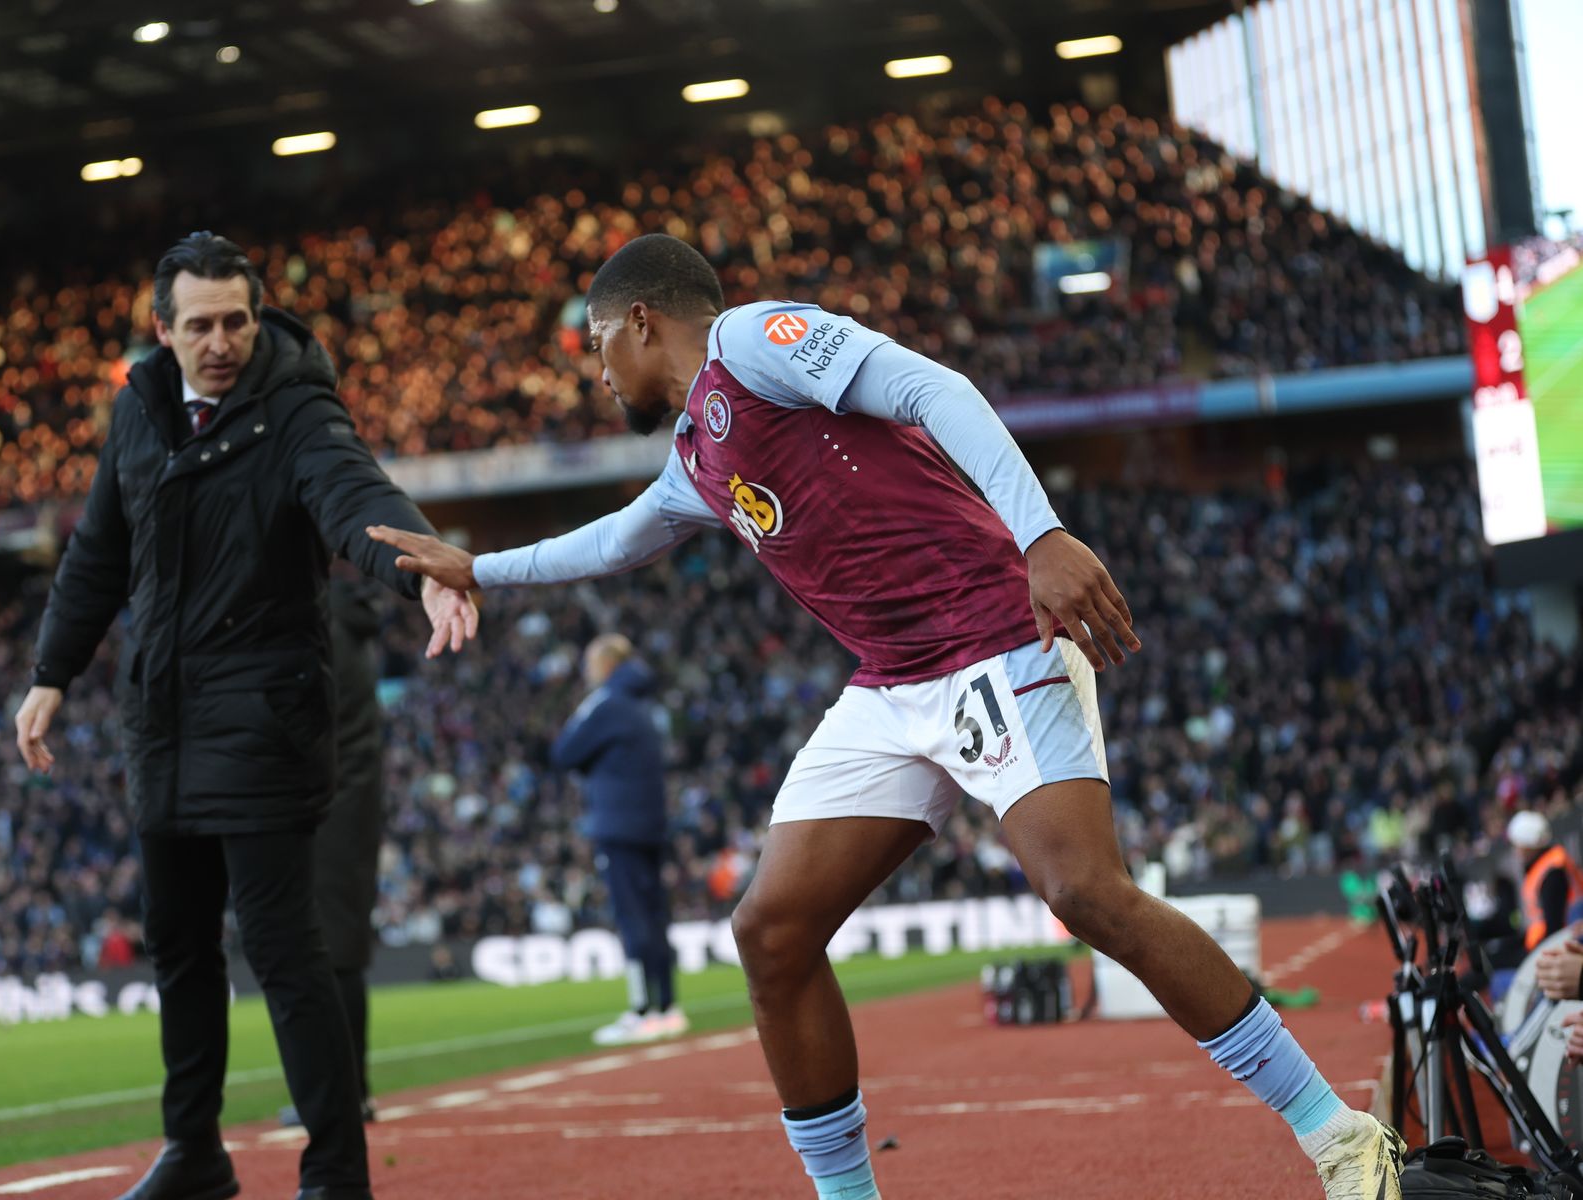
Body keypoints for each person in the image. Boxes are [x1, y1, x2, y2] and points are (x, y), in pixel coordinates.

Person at [367, 233, 1403, 1200]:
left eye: (595, 343)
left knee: (1084, 892)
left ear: (641, 320)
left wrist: (1040, 533)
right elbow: (613, 541)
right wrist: (480, 569)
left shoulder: (750, 341)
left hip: (998, 635)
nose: (595, 370)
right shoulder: (695, 455)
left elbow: (929, 387)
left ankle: (1339, 1136)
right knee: (771, 933)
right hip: (890, 684)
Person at [14, 232, 478, 1200]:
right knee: (178, 944)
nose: (221, 341)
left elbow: (354, 496)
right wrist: (52, 671)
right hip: (163, 720)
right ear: (162, 330)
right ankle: (194, 1152)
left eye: (236, 320)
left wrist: (418, 566)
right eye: (200, 325)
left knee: (280, 949)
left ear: (257, 317)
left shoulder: (297, 408)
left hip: (265, 714)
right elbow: (100, 547)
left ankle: (335, 1174)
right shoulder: (139, 410)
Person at [279, 571, 389, 1128]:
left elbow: (299, 717)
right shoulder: (343, 624)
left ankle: (342, 1094)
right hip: (348, 800)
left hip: (329, 803)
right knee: (337, 948)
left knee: (332, 952)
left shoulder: (320, 627)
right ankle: (347, 1091)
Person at [551, 633, 686, 1046]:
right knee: (654, 915)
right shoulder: (642, 705)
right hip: (650, 825)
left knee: (632, 917)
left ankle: (642, 1011)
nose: (587, 671)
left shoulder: (606, 704)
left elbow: (563, 752)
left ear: (607, 664)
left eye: (591, 663)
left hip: (619, 826)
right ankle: (667, 1007)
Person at [1510, 810, 1583, 961]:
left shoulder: (1552, 872)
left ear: (1528, 845)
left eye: (1517, 845)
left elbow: (1555, 927)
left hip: (1557, 947)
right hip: (1543, 944)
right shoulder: (1545, 865)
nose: (1515, 850)